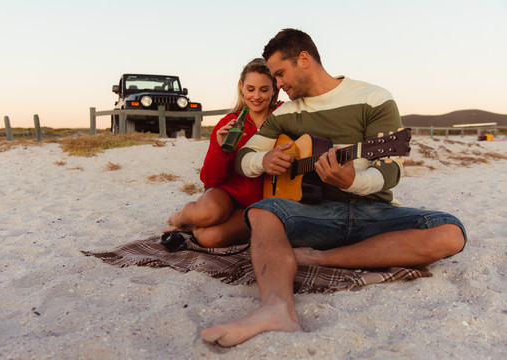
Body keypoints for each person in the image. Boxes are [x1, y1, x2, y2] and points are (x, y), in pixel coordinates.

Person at [201, 28, 467, 347]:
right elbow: (244, 156)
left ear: (304, 60)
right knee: (262, 212)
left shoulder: (373, 98)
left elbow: (391, 168)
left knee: (450, 232)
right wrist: (265, 161)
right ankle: (276, 308)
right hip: (312, 215)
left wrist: (353, 181)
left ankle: (319, 258)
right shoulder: (285, 114)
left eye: (280, 75)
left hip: (374, 211)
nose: (278, 87)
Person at [164, 58, 280, 248]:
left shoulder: (282, 118)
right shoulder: (229, 123)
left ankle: (195, 229)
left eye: (264, 89)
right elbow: (210, 180)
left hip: (258, 205)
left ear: (274, 89)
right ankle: (180, 218)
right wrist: (220, 148)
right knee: (206, 214)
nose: (257, 96)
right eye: (250, 89)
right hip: (225, 194)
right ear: (241, 87)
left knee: (209, 238)